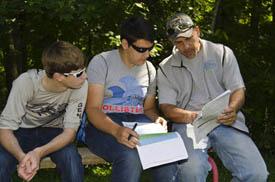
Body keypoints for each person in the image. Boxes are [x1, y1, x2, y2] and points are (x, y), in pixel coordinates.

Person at [157, 13, 269, 182]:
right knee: (191, 172)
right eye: (178, 42)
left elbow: (238, 90)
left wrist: (233, 109)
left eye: (188, 38)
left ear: (197, 31)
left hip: (225, 121)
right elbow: (167, 108)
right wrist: (195, 116)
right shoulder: (166, 68)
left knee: (256, 173)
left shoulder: (222, 53)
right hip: (188, 125)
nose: (186, 46)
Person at [85, 17, 177, 182]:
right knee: (130, 156)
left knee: (168, 156)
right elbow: (92, 109)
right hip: (103, 125)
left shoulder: (149, 69)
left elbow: (148, 108)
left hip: (139, 124)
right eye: (142, 49)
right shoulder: (102, 62)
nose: (147, 55)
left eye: (150, 48)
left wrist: (157, 119)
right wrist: (116, 131)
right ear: (125, 44)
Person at [0, 41, 88, 182]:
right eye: (79, 74)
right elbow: (4, 130)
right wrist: (22, 158)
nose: (85, 76)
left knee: (71, 160)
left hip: (54, 132)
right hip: (21, 130)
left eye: (84, 69)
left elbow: (69, 134)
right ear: (58, 76)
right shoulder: (26, 83)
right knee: (1, 162)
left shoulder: (80, 86)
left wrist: (38, 153)